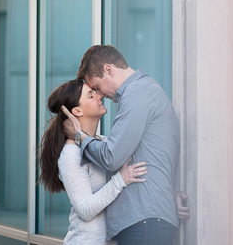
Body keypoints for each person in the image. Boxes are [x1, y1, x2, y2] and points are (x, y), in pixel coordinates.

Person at [61, 45, 187, 245]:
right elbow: (152, 157)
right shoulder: (143, 92)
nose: (100, 94)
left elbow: (111, 158)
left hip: (145, 222)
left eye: (96, 87)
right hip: (146, 221)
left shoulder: (137, 94)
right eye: (92, 92)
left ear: (109, 70)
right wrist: (171, 191)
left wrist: (80, 137)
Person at [39, 79, 148, 245]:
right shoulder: (71, 154)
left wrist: (170, 197)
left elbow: (139, 172)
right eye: (91, 95)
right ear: (77, 111)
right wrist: (120, 179)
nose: (99, 96)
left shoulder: (103, 144)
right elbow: (85, 209)